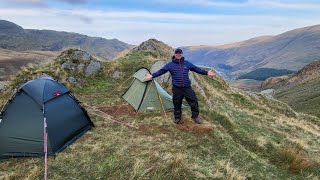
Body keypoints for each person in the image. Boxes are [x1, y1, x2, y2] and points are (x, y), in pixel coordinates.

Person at [144, 48, 216, 124]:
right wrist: (152, 75)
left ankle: (195, 116)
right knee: (177, 102)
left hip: (187, 87)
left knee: (194, 101)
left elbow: (196, 69)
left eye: (180, 53)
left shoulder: (187, 63)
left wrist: (207, 73)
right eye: (177, 53)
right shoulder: (170, 65)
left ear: (182, 54)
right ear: (174, 54)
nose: (178, 54)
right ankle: (177, 117)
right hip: (176, 88)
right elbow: (161, 71)